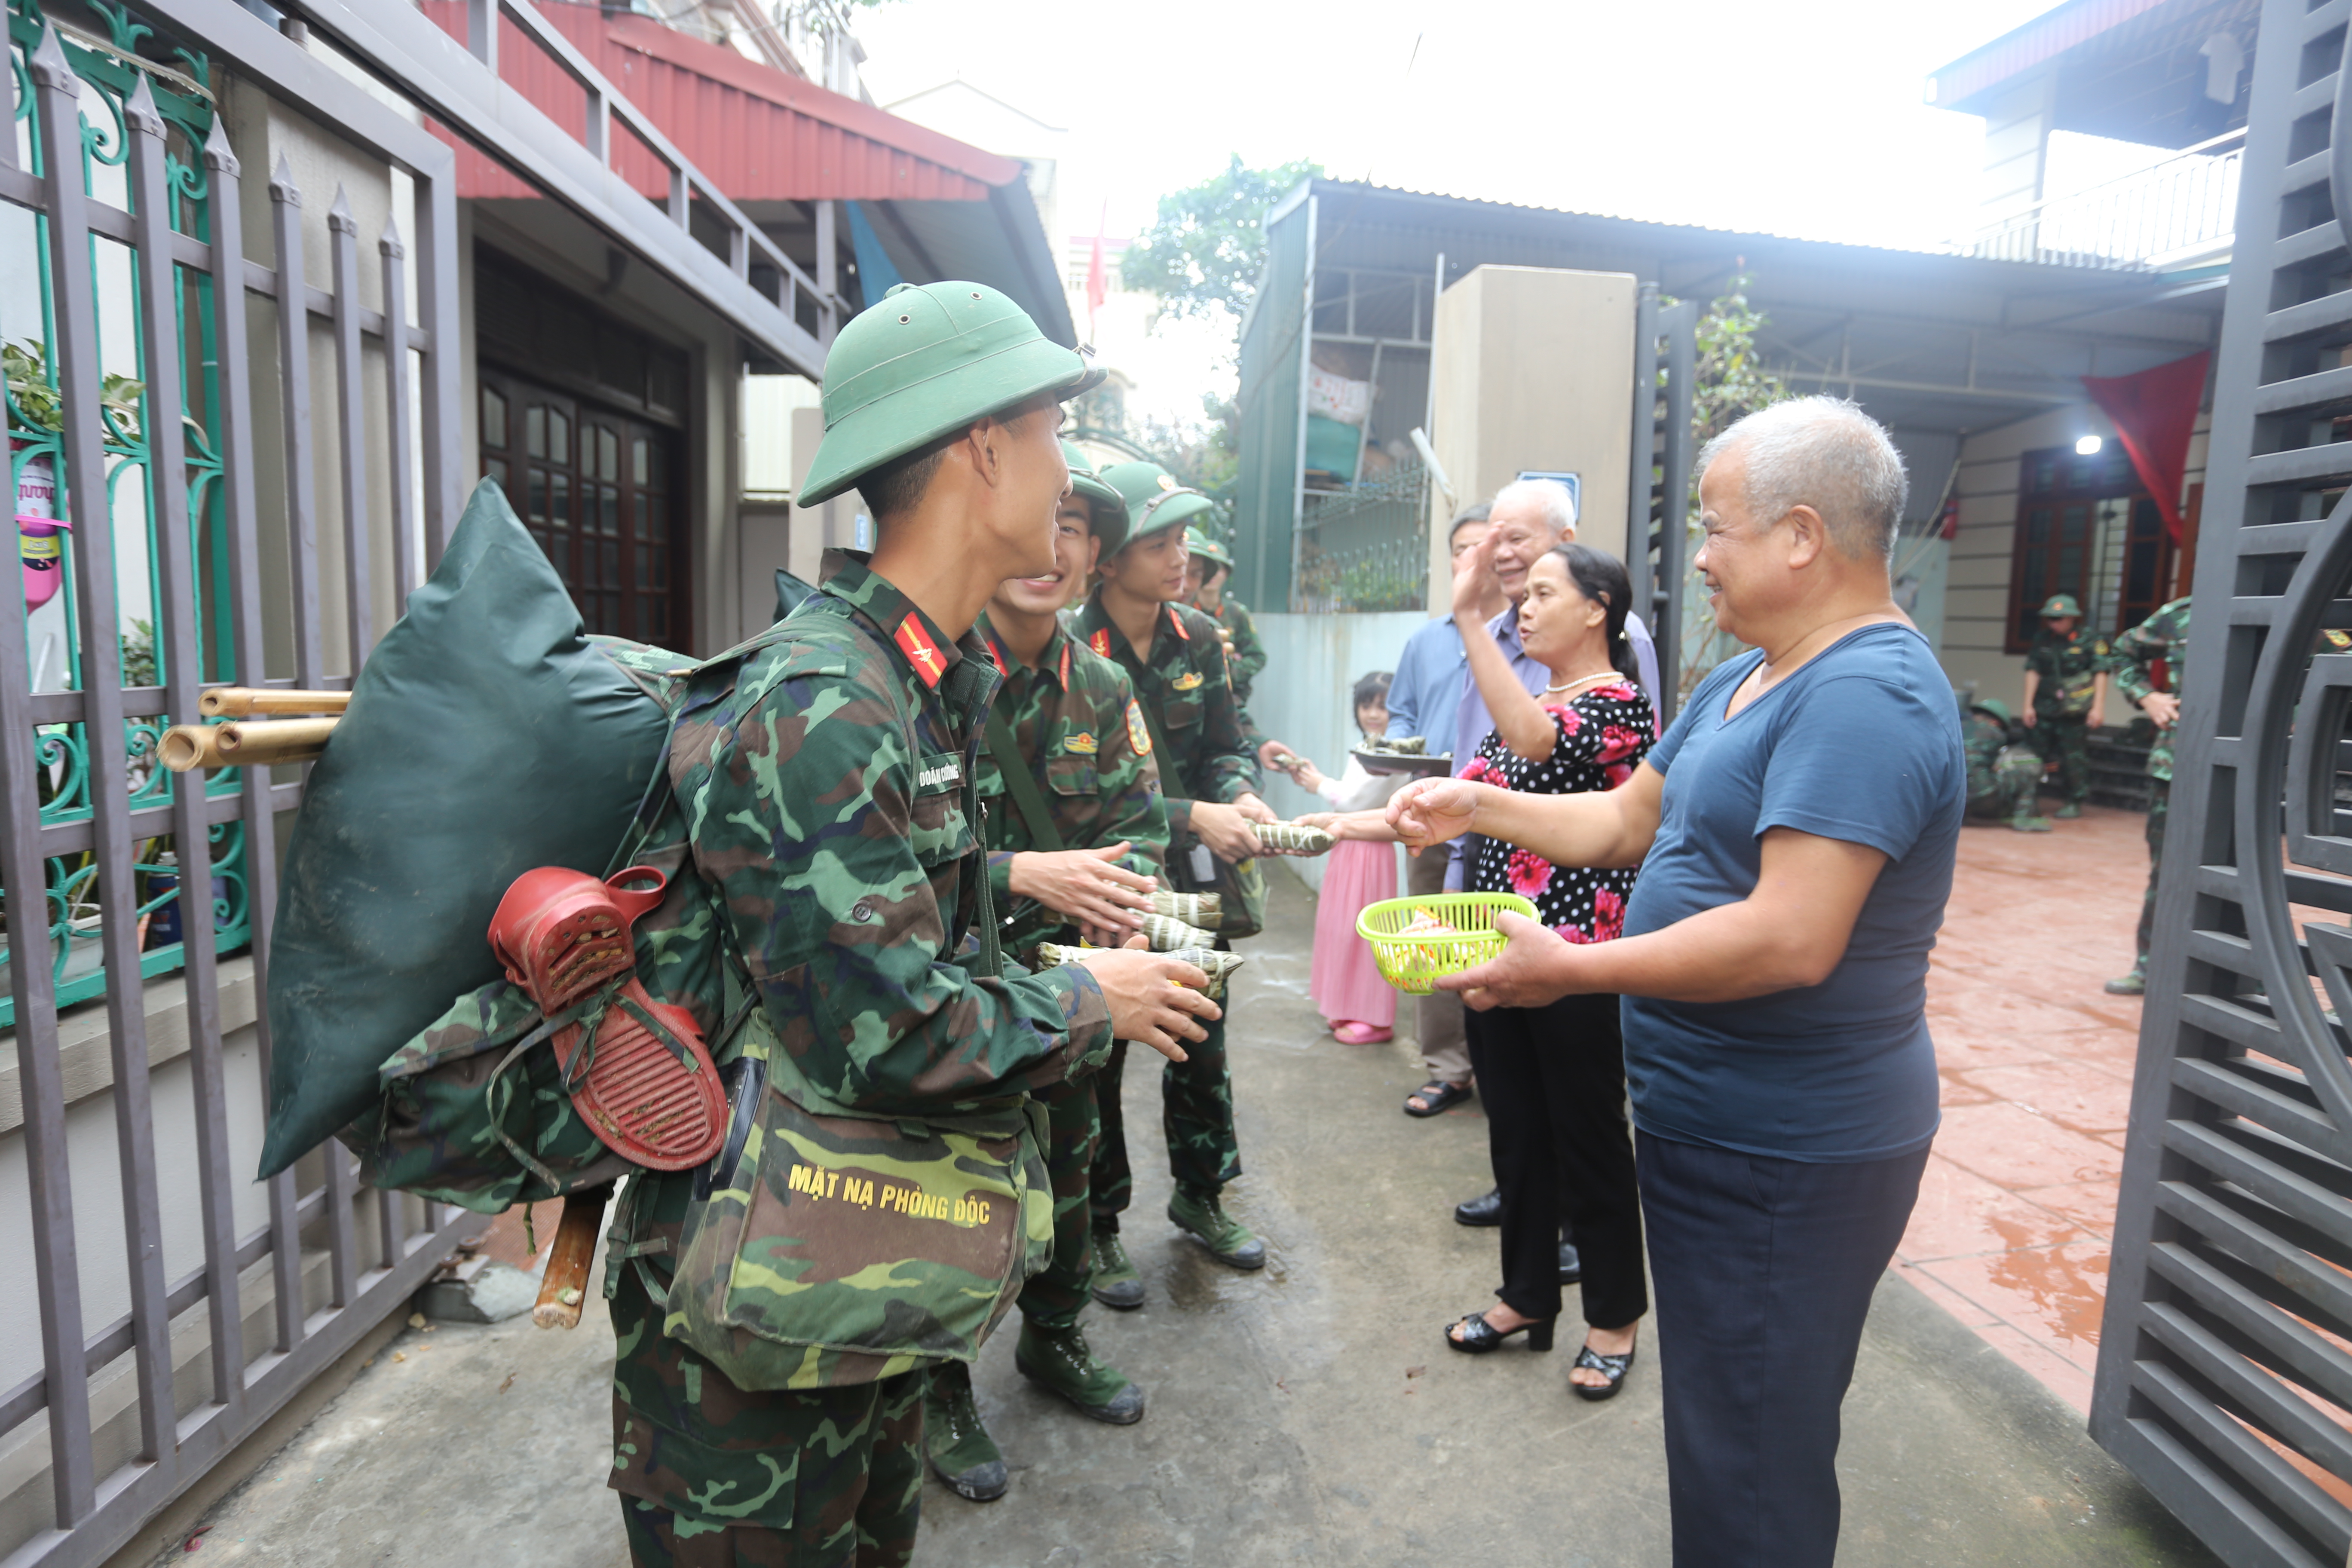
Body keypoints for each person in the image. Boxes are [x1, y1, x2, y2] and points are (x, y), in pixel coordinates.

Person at [607, 282, 1220, 1566]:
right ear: (983, 451)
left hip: (845, 1272)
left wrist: (1019, 894)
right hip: (751, 1349)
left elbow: (876, 910)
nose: (1065, 478)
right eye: (1050, 433)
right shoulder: (832, 702)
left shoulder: (915, 680)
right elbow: (877, 1031)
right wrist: (1090, 998)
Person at [1390, 396, 1963, 1568]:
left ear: (1802, 536)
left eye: (1714, 528)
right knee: (1728, 1434)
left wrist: (1571, 970)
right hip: (1718, 1131)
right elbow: (1620, 820)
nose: (1696, 556)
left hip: (1787, 1152)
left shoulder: (1865, 697)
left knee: (1750, 1459)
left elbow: (1791, 938)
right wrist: (1480, 802)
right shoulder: (1747, 678)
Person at [923, 444, 1168, 1503]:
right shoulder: (927, 669)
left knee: (1067, 1176)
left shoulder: (1103, 685)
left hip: (1066, 989)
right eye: (1047, 519)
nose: (1053, 547)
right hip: (946, 994)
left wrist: (1133, 927)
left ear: (1088, 559)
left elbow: (1140, 829)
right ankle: (937, 1386)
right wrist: (1020, 871)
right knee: (938, 1195)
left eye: (1078, 531)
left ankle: (1052, 1338)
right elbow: (884, 860)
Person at [1438, 539, 1654, 1402]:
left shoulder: (1620, 708)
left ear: (1598, 609)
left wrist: (1466, 619)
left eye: (1542, 595)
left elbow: (1533, 740)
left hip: (1574, 959)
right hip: (1498, 947)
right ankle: (1526, 1296)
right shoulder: (1536, 699)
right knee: (1517, 1131)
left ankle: (1614, 1316)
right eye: (1516, 599)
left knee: (1588, 1136)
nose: (1523, 609)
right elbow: (1463, 794)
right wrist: (1336, 827)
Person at [1076, 461, 1281, 1294]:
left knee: (1198, 1034)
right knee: (1099, 1053)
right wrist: (1197, 814)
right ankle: (1096, 1225)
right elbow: (1087, 797)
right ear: (1109, 559)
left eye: (1184, 540)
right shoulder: (1066, 647)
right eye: (1157, 542)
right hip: (1108, 878)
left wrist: (1239, 791)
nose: (1179, 558)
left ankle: (1202, 1195)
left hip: (1194, 874)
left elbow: (1224, 744)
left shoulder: (1200, 638)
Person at [1384, 504, 1493, 1118]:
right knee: (1429, 933)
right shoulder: (1425, 641)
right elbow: (1400, 713)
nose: (1470, 559)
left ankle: (1498, 1063)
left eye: (1483, 547)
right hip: (1430, 804)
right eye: (1461, 549)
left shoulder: (1520, 635)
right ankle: (1447, 1068)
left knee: (1492, 931)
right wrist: (1410, 745)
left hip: (1501, 810)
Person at [1279, 671, 1406, 1044]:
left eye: (1383, 706)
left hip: (1370, 844)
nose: (1373, 713)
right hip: (1348, 843)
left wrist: (1319, 783)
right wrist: (1319, 781)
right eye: (1367, 705)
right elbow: (1351, 794)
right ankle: (1349, 1007)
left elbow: (1352, 801)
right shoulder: (1368, 745)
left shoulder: (1393, 752)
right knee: (1341, 927)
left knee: (1367, 933)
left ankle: (1377, 1019)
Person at [2098, 596, 2186, 996]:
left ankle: (2250, 975)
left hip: (2256, 771)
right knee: (2165, 873)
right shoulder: (2184, 613)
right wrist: (2148, 696)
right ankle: (2150, 967)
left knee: (2246, 878)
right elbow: (2122, 652)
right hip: (2177, 763)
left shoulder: (2294, 607)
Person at [2020, 592, 2108, 818]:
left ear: (2072, 618)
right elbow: (2034, 670)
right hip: (2045, 707)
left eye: (2058, 619)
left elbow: (2101, 673)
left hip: (2074, 710)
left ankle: (2074, 800)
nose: (2053, 624)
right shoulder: (2042, 639)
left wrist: (2097, 708)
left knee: (2073, 757)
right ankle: (2027, 799)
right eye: (2050, 619)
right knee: (2035, 754)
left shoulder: (2090, 640)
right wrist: (2028, 705)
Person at [1185, 527, 1267, 712]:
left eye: (1220, 568)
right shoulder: (1184, 608)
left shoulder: (1237, 613)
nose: (1213, 576)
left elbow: (1257, 657)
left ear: (1227, 574)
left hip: (1232, 698)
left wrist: (1230, 673)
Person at [1962, 697, 2053, 832]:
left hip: (1952, 797)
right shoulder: (1996, 734)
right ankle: (2023, 820)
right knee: (2026, 777)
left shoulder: (1957, 727)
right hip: (1982, 795)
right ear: (1996, 722)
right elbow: (1993, 766)